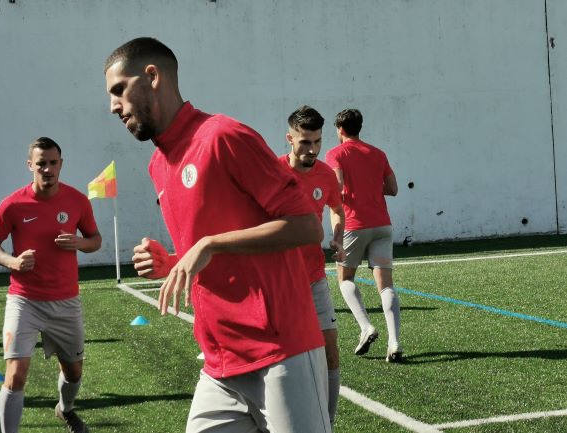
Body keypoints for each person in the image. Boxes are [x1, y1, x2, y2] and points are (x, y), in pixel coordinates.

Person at [104, 37, 331, 432]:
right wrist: (172, 262)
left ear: (152, 77)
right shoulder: (158, 164)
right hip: (219, 362)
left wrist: (210, 244)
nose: (113, 106)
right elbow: (209, 251)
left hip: (281, 352)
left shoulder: (223, 136)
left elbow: (306, 226)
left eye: (119, 89)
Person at [0, 137, 102, 433]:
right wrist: (12, 262)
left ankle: (65, 409)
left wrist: (79, 242)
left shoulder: (77, 201)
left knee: (74, 372)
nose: (48, 169)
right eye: (41, 164)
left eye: (53, 163)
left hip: (66, 301)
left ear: (61, 164)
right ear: (30, 165)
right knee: (15, 375)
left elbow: (95, 240)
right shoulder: (12, 204)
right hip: (23, 301)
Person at [280, 105, 345, 429]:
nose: (312, 149)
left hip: (315, 277)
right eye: (305, 142)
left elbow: (337, 209)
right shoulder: (272, 173)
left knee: (330, 353)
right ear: (290, 139)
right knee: (282, 358)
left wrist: (337, 237)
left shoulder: (325, 175)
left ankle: (327, 424)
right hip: (279, 282)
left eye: (317, 142)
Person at [325, 109, 403, 363]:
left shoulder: (335, 153)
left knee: (345, 278)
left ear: (339, 129)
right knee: (386, 285)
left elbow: (337, 187)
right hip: (382, 225)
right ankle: (394, 343)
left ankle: (366, 327)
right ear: (360, 127)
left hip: (354, 225)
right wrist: (370, 188)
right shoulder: (378, 153)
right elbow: (393, 188)